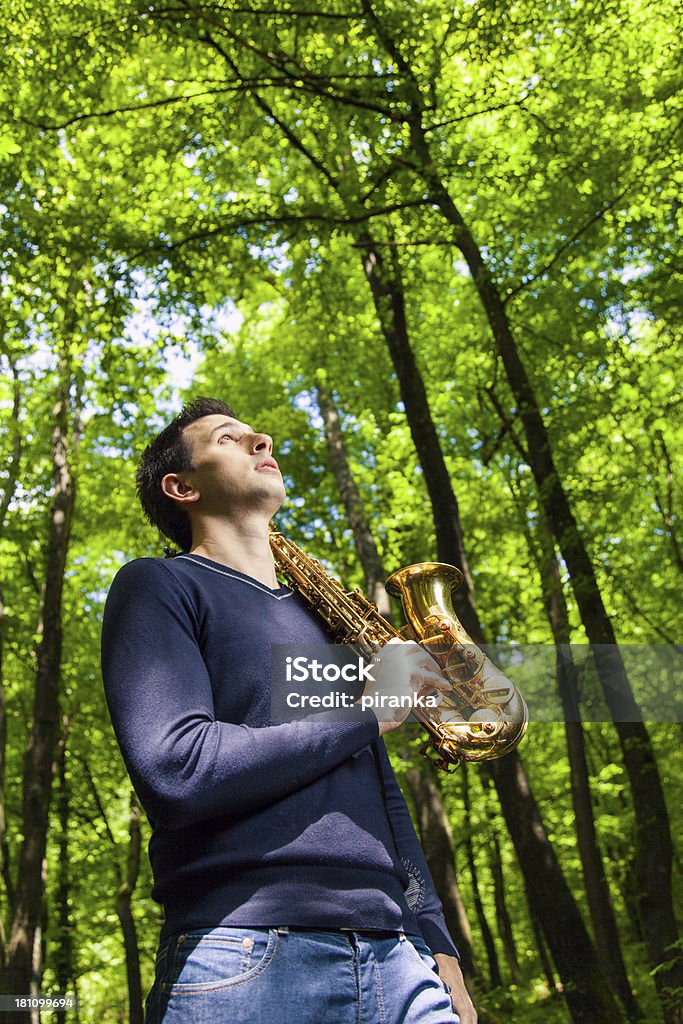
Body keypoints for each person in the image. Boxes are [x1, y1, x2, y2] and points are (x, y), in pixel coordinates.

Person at [101, 397, 477, 1024]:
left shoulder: (320, 621)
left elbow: (383, 794)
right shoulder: (159, 585)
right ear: (180, 486)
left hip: (402, 959)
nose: (261, 439)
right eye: (229, 437)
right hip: (242, 952)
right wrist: (367, 714)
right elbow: (177, 768)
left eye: (258, 434)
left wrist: (438, 941)